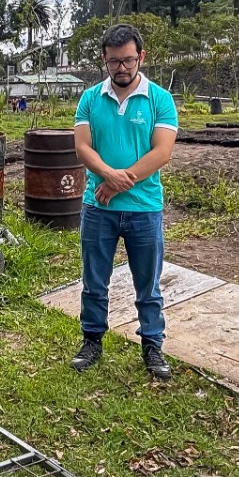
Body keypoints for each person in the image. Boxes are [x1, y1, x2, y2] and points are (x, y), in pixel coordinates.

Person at [69, 23, 178, 380]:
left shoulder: (159, 99)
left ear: (141, 57)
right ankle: (91, 340)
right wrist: (107, 176)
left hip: (144, 208)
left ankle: (152, 345)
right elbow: (82, 147)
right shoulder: (90, 99)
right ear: (104, 60)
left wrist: (117, 184)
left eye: (128, 60)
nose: (121, 68)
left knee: (148, 284)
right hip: (98, 208)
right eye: (114, 61)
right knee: (94, 280)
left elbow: (161, 152)